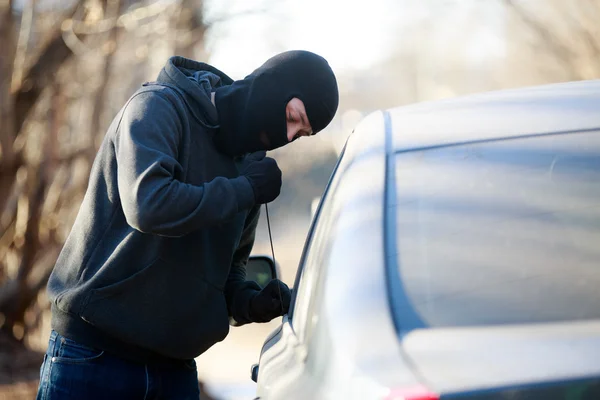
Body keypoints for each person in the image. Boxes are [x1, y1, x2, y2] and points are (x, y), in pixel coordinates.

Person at [35, 50, 339, 399]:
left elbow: (228, 272)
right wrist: (244, 190)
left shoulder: (251, 168)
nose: (287, 136)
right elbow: (148, 206)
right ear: (272, 85)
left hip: (175, 372)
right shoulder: (157, 108)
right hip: (94, 357)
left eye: (300, 134)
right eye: (291, 117)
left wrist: (250, 303)